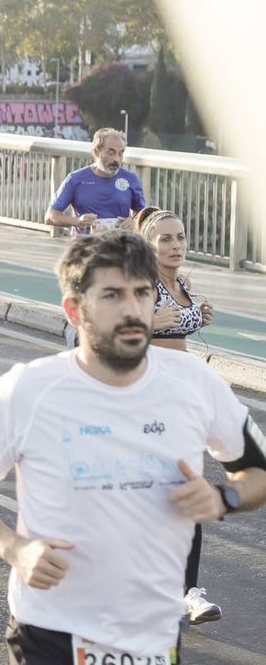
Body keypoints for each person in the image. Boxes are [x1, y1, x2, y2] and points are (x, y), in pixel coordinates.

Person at [0, 230, 266, 664]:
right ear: (75, 310)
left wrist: (224, 496)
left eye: (142, 293)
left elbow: (257, 474)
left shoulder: (196, 384)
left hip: (154, 630)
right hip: (52, 628)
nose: (133, 309)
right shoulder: (26, 390)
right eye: (113, 295)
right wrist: (14, 548)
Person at [136, 207, 222, 625]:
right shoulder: (142, 286)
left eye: (181, 238)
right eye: (166, 239)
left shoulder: (182, 283)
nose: (176, 246)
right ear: (150, 244)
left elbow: (178, 334)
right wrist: (146, 324)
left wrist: (197, 317)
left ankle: (180, 589)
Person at [47, 127, 145, 235]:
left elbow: (143, 215)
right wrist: (77, 221)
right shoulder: (75, 179)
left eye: (120, 153)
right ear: (96, 152)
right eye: (111, 152)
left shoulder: (130, 179)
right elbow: (50, 216)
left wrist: (134, 222)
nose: (116, 159)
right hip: (85, 247)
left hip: (120, 247)